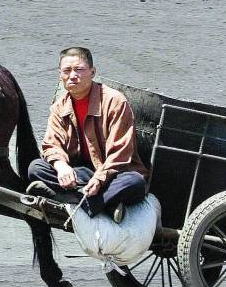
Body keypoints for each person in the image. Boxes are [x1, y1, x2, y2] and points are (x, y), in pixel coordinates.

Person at [27, 46, 149, 223]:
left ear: (92, 72)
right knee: (36, 168)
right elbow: (52, 145)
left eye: (79, 69)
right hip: (83, 174)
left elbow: (120, 154)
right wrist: (62, 167)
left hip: (114, 174)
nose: (73, 75)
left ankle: (78, 201)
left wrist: (100, 179)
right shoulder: (59, 107)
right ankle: (101, 203)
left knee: (135, 182)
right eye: (67, 71)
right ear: (60, 74)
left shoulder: (114, 101)